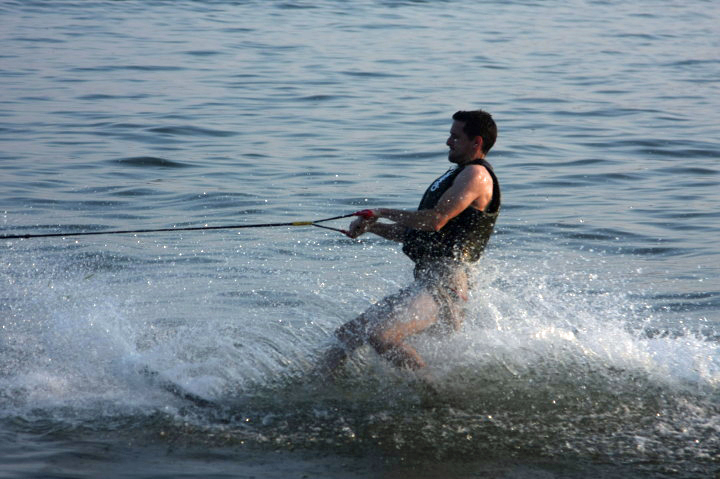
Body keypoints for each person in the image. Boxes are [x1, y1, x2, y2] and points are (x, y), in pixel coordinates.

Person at [320, 110, 501, 374]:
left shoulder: (476, 176)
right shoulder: (457, 176)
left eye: (455, 136)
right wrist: (373, 226)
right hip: (428, 281)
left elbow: (435, 220)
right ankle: (316, 400)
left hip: (445, 283)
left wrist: (381, 211)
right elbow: (415, 233)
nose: (448, 142)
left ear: (477, 142)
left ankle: (435, 400)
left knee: (382, 335)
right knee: (345, 337)